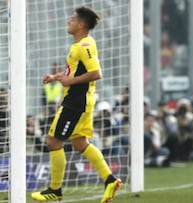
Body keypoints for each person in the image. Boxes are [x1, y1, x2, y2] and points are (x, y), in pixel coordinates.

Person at [31, 6, 121, 203]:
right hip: (81, 100)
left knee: (54, 141)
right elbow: (77, 71)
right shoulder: (80, 45)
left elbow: (96, 73)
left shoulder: (85, 46)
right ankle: (110, 179)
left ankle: (55, 190)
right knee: (80, 142)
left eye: (72, 19)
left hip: (75, 102)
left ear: (81, 24)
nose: (68, 21)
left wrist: (69, 82)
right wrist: (57, 77)